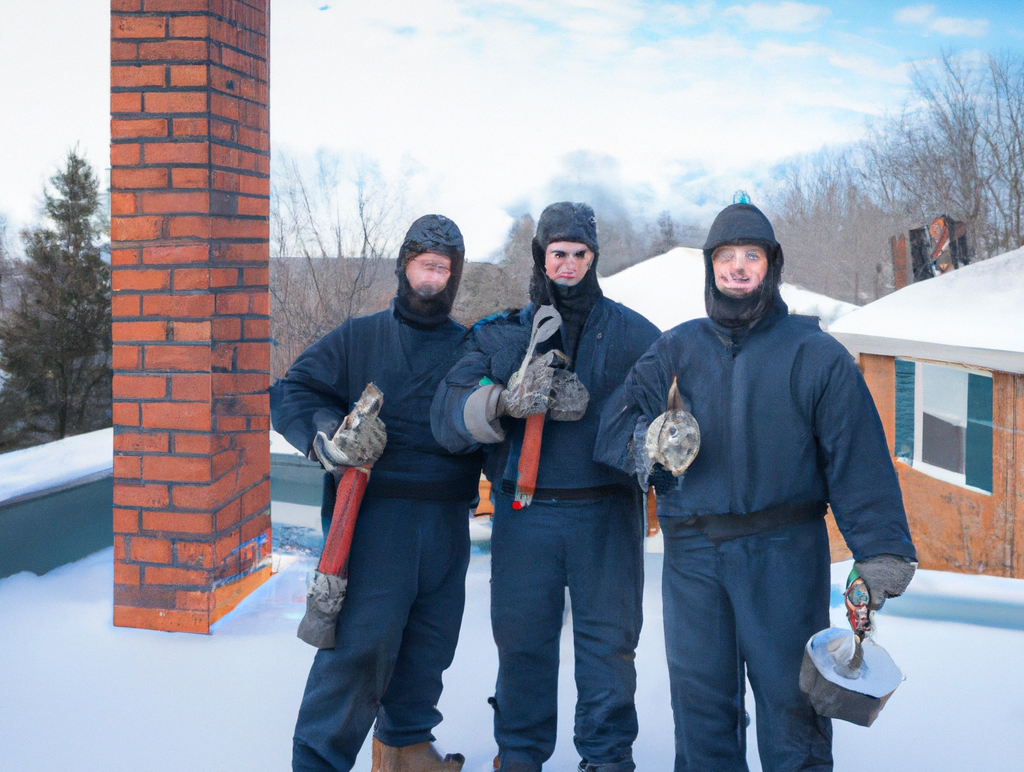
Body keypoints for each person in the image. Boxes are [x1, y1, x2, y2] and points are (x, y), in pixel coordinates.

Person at [596, 202, 917, 772]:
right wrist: (651, 441)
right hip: (692, 557)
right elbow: (613, 429)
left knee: (792, 705)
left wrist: (881, 550)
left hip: (784, 553)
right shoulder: (675, 349)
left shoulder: (814, 354)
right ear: (710, 267)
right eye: (726, 257)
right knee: (701, 710)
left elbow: (857, 456)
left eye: (752, 256)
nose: (738, 267)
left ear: (771, 265)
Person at [432, 202, 660, 772]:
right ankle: (520, 755)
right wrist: (500, 400)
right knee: (523, 644)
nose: (568, 263)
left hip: (607, 515)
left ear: (594, 258)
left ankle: (607, 759)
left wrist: (653, 438)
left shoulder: (636, 335)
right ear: (541, 255)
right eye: (558, 252)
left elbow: (674, 408)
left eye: (580, 254)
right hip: (524, 510)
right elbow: (449, 409)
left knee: (609, 648)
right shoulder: (502, 333)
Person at [270, 215, 483, 772]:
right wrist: (327, 437)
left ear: (454, 276)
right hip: (376, 520)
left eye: (443, 268)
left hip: (445, 520)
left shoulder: (470, 348)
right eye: (424, 264)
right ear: (403, 267)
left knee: (430, 646)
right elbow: (292, 390)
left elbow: (491, 419)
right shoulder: (359, 337)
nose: (432, 277)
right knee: (359, 650)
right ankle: (319, 760)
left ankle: (406, 750)